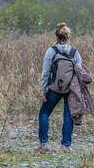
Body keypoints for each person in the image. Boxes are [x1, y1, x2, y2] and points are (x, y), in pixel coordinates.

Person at [35, 22, 82, 153]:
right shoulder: (74, 52)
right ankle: (65, 145)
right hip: (70, 90)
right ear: (68, 38)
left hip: (54, 88)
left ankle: (43, 144)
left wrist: (43, 90)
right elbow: (80, 72)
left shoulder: (51, 51)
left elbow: (45, 73)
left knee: (44, 113)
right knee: (68, 116)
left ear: (56, 37)